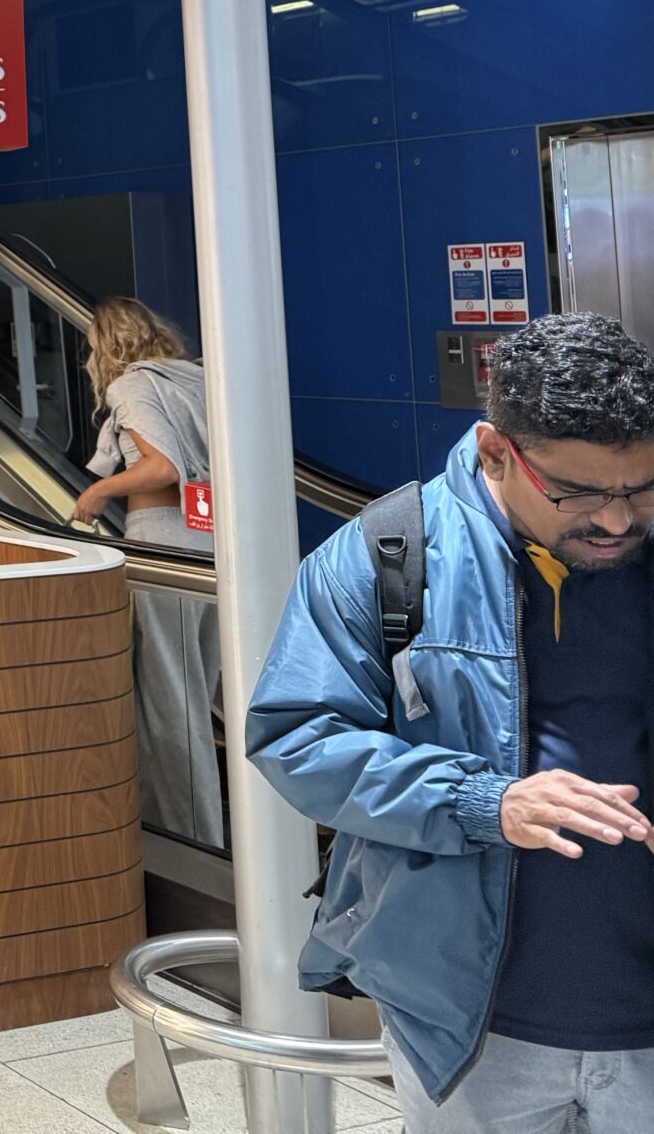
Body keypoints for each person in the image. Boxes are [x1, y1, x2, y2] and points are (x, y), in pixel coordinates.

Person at [248, 313, 654, 1130]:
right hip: (472, 1024)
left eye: (641, 488)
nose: (615, 521)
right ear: (495, 451)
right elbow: (297, 733)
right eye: (576, 493)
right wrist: (484, 801)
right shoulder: (388, 555)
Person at [76, 298, 223, 845]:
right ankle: (215, 836)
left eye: (93, 348)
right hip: (211, 549)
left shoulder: (132, 386)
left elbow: (161, 467)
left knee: (172, 708)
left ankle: (196, 847)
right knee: (198, 699)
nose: (91, 360)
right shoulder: (196, 379)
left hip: (163, 549)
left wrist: (98, 491)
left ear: (109, 346)